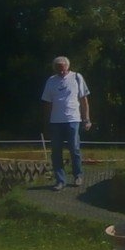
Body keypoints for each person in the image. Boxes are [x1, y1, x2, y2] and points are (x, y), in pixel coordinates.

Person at [41, 55, 93, 190]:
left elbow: (84, 100)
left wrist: (86, 119)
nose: (62, 72)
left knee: (74, 149)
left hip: (73, 119)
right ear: (55, 69)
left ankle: (78, 175)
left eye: (63, 69)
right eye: (59, 70)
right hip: (55, 121)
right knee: (56, 151)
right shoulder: (51, 81)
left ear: (68, 67)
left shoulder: (77, 77)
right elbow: (47, 103)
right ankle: (60, 180)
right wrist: (46, 122)